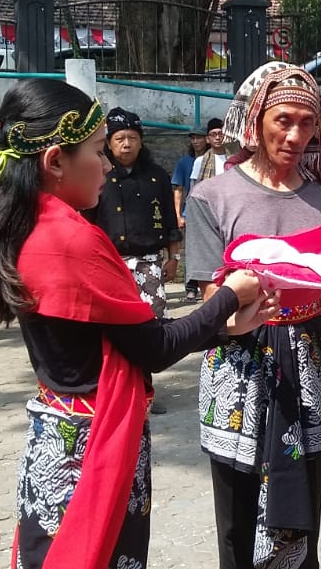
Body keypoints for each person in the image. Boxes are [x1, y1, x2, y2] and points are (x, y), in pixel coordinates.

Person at [0, 78, 274, 568]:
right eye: (95, 150)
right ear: (55, 162)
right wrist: (230, 295)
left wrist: (222, 327)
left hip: (56, 425)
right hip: (92, 445)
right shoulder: (71, 240)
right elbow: (153, 348)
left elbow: (120, 338)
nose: (107, 163)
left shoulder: (27, 223)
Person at [185, 61, 321, 569]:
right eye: (283, 120)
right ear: (255, 120)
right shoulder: (213, 197)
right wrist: (246, 316)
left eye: (307, 123)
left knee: (304, 507)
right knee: (237, 518)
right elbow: (208, 306)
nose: (296, 135)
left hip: (308, 365)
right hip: (238, 372)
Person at [91, 108, 183, 415]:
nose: (126, 144)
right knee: (111, 329)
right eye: (119, 139)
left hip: (149, 263)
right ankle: (114, 393)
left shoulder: (157, 176)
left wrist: (174, 258)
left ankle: (145, 390)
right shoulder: (97, 175)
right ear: (109, 143)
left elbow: (170, 221)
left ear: (141, 142)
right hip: (110, 263)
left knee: (149, 327)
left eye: (132, 138)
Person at [172, 124, 209, 302]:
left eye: (199, 137)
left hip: (213, 212)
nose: (196, 141)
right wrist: (178, 214)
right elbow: (178, 189)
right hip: (191, 212)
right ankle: (191, 288)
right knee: (192, 251)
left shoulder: (216, 159)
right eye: (193, 138)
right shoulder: (184, 162)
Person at [189, 118, 228, 188]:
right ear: (207, 139)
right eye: (213, 134)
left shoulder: (234, 160)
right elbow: (194, 188)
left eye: (220, 134)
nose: (217, 137)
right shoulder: (200, 161)